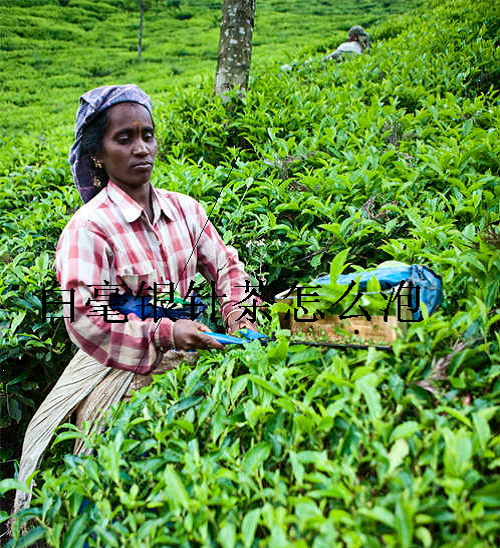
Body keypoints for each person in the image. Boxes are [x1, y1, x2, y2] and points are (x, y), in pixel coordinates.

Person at [12, 84, 258, 522]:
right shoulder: (89, 229)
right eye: (124, 139)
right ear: (97, 155)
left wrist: (240, 316)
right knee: (116, 481)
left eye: (147, 135)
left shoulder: (186, 211)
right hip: (116, 363)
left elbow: (227, 268)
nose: (141, 148)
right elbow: (86, 315)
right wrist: (164, 332)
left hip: (193, 345)